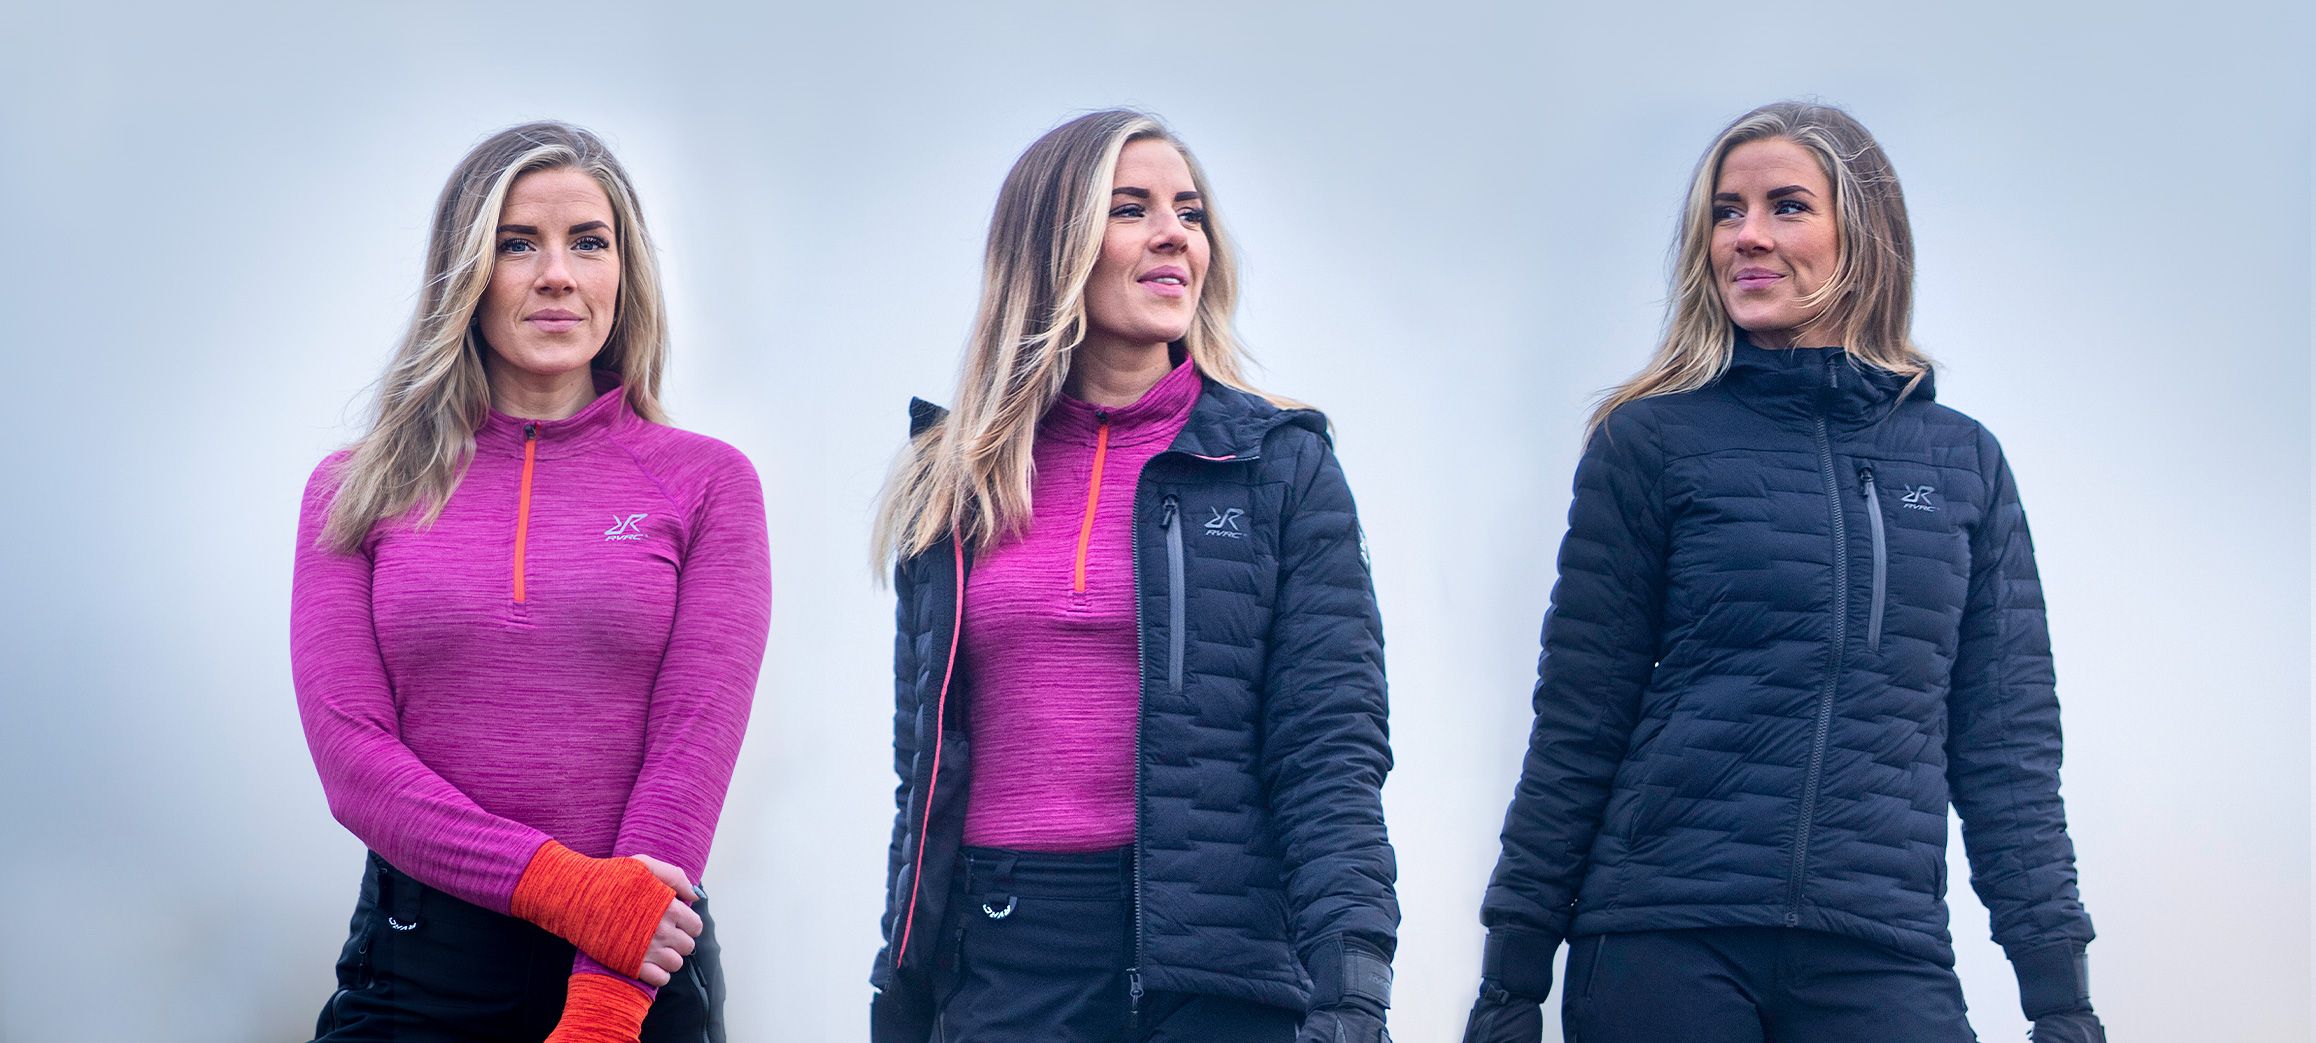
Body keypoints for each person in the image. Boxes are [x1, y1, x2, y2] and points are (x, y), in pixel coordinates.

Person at [1462, 102, 2101, 1043]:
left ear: (1864, 234)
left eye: (1786, 206)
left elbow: (2007, 749)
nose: (1747, 236)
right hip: (1665, 936)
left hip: (1882, 945)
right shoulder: (1650, 441)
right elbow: (1579, 720)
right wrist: (1511, 976)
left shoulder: (1962, 462)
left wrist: (2061, 996)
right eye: (1727, 212)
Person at [866, 110, 1397, 1043]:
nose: (1173, 235)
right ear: (1052, 244)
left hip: (1220, 960)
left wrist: (1354, 984)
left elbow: (1329, 750)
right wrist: (898, 988)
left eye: (1189, 212)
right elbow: (926, 770)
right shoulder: (950, 481)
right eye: (1131, 209)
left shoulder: (1281, 464)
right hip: (1007, 951)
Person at [291, 121, 770, 1043]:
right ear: (466, 275)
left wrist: (605, 1002)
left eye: (588, 242)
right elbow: (353, 758)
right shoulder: (353, 491)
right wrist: (572, 891)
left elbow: (692, 746)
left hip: (637, 961)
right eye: (518, 244)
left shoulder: (707, 483)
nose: (557, 273)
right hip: (420, 962)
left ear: (624, 272)